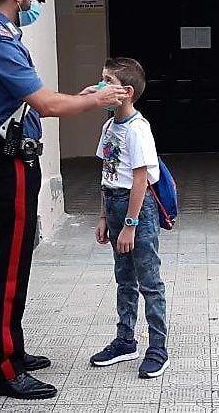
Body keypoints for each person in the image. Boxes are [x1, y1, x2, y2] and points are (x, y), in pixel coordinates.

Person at [0, 0, 127, 400]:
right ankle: (2, 368)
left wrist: (82, 96)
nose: (37, 2)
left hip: (14, 159)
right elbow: (49, 106)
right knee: (8, 267)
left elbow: (38, 100)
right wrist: (96, 101)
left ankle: (9, 350)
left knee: (14, 261)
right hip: (8, 165)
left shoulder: (3, 35)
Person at [90, 57, 170, 378]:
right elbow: (107, 173)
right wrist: (102, 217)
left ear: (127, 91)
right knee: (124, 278)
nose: (99, 86)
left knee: (149, 281)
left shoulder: (139, 130)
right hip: (113, 206)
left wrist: (130, 225)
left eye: (106, 81)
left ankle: (158, 348)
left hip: (136, 211)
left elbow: (140, 180)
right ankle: (125, 340)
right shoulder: (109, 126)